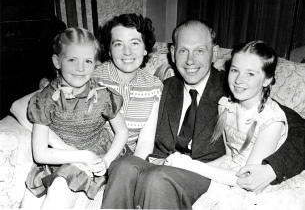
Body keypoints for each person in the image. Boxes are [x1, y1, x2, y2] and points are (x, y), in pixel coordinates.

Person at [101, 20, 305, 209]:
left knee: (158, 180)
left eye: (199, 50)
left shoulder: (235, 86)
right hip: (162, 163)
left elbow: (296, 126)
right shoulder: (163, 88)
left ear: (214, 53)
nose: (190, 60)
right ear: (172, 53)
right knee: (123, 166)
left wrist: (273, 168)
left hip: (205, 172)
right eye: (183, 51)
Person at [10, 13, 163, 208]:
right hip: (76, 150)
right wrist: (62, 146)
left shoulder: (153, 85)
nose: (127, 52)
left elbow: (145, 142)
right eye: (118, 44)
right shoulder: (90, 75)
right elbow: (23, 105)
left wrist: (125, 170)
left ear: (145, 49)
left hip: (117, 157)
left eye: (134, 43)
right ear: (108, 48)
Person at [20, 27, 129, 209]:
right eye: (72, 60)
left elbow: (122, 131)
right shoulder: (46, 99)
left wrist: (107, 161)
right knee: (29, 199)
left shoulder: (102, 96)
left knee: (59, 188)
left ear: (95, 64)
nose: (80, 68)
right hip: (60, 157)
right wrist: (82, 156)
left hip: (97, 156)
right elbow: (40, 154)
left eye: (87, 61)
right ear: (57, 61)